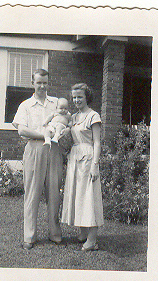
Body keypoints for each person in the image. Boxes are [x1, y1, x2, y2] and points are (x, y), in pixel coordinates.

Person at [12, 69, 64, 249]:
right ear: (32, 82)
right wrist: (43, 135)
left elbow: (65, 122)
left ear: (48, 83)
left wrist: (60, 132)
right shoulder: (25, 105)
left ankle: (55, 234)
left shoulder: (56, 103)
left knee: (54, 192)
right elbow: (21, 130)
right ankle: (29, 236)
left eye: (45, 82)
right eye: (39, 82)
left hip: (54, 149)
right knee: (32, 193)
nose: (42, 86)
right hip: (34, 148)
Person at [61, 83, 104, 251]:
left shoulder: (93, 116)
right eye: (74, 97)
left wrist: (95, 165)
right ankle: (83, 232)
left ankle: (92, 240)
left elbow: (97, 142)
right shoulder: (74, 117)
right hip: (75, 157)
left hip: (88, 158)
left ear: (87, 97)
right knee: (78, 195)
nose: (76, 100)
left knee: (89, 196)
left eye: (80, 96)